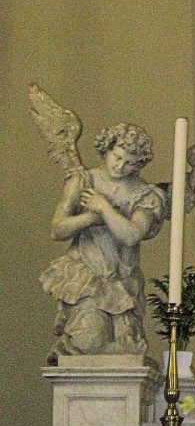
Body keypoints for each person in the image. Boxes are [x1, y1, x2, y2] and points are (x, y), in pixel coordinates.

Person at [40, 124, 167, 359]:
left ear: (138, 164)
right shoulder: (83, 181)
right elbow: (57, 230)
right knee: (89, 341)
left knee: (126, 348)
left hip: (122, 281)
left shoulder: (145, 194)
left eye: (129, 163)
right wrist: (89, 218)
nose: (120, 166)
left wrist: (103, 207)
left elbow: (131, 235)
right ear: (106, 149)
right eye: (117, 157)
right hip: (87, 276)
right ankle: (69, 346)